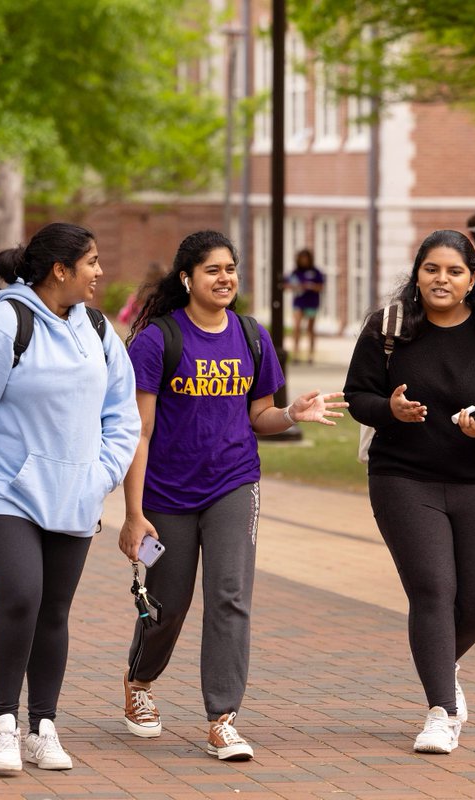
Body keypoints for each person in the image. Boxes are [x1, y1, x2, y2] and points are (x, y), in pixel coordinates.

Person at [118, 230, 346, 762]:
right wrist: (132, 514)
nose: (225, 279)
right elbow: (140, 432)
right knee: (168, 603)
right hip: (168, 493)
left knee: (230, 596)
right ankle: (140, 682)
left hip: (234, 484)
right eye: (212, 270)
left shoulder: (250, 335)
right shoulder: (157, 340)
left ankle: (222, 717)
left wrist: (292, 414)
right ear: (186, 279)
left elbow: (258, 414)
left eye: (231, 269)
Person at [344, 229, 475, 754]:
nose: (442, 279)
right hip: (402, 478)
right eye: (432, 269)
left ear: (472, 279)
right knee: (433, 591)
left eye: (454, 271)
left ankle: (440, 660)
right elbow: (357, 395)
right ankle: (441, 710)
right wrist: (387, 409)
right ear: (417, 273)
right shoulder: (390, 327)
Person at [0, 223, 140, 773]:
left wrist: (100, 475)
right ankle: (4, 724)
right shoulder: (6, 323)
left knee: (54, 611)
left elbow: (123, 416)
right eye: (92, 262)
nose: (100, 272)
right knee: (22, 596)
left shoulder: (98, 329)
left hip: (74, 495)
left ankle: (42, 727)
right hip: (5, 490)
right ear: (61, 269)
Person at [288, 248, 325, 364]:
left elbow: (321, 287)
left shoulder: (316, 272)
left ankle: (311, 354)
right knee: (297, 327)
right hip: (299, 302)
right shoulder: (296, 272)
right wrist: (296, 287)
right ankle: (296, 353)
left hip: (312, 303)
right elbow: (287, 284)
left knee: (310, 328)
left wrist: (310, 286)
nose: (304, 261)